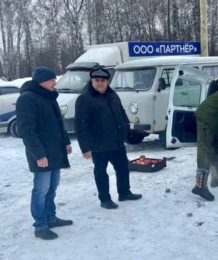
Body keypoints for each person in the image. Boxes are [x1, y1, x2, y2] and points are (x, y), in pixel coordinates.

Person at [16, 66, 73, 240]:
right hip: (42, 155)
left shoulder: (49, 97)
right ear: (41, 80)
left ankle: (51, 218)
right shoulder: (27, 99)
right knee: (40, 190)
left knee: (52, 188)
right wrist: (39, 155)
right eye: (52, 80)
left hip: (55, 151)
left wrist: (66, 142)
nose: (55, 83)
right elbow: (26, 131)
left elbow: (58, 124)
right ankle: (40, 226)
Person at [74, 68, 142, 209]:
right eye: (97, 80)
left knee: (123, 168)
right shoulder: (84, 99)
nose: (100, 83)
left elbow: (122, 113)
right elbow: (80, 125)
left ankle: (124, 192)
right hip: (98, 143)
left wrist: (126, 129)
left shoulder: (112, 94)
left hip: (116, 141)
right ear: (92, 81)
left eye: (103, 80)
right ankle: (105, 199)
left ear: (107, 81)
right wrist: (85, 148)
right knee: (101, 172)